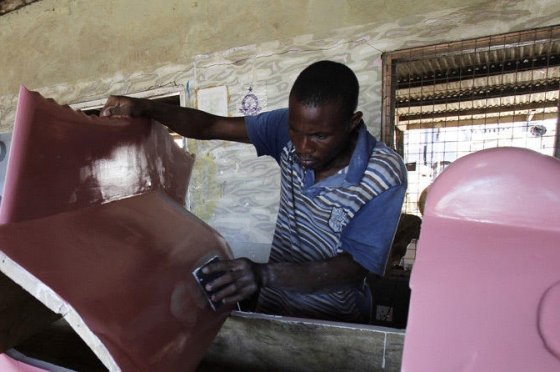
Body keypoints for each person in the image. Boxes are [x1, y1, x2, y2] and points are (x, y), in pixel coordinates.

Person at [100, 61, 407, 323]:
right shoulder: (283, 129)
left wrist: (264, 275)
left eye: (320, 136)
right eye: (296, 131)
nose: (303, 148)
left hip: (336, 318)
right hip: (274, 305)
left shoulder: (383, 174)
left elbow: (357, 267)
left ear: (352, 122)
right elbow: (209, 126)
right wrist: (147, 106)